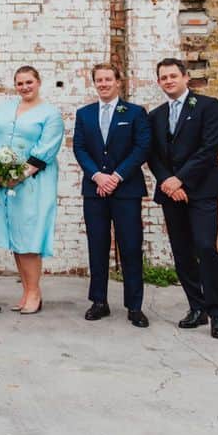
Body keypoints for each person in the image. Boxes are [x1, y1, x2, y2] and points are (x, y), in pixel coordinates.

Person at [147, 58, 218, 339]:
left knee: (206, 248)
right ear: (159, 82)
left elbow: (210, 149)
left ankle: (217, 313)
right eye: (163, 77)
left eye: (173, 75)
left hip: (202, 189)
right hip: (171, 193)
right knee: (182, 251)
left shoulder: (208, 106)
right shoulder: (156, 115)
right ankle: (197, 307)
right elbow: (153, 155)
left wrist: (180, 179)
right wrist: (168, 182)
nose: (168, 81)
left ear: (185, 77)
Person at [0, 65, 64, 315]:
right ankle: (26, 291)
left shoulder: (50, 114)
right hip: (2, 181)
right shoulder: (4, 109)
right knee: (15, 237)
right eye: (20, 83)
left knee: (29, 237)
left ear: (38, 82)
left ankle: (35, 292)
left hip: (32, 183)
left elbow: (46, 150)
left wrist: (17, 176)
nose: (25, 87)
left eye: (29, 82)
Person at [73, 63, 151, 328]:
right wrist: (97, 176)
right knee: (97, 245)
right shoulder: (84, 114)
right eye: (99, 80)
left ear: (118, 82)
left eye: (108, 79)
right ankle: (99, 301)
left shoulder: (134, 112)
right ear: (94, 83)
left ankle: (135, 306)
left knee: (130, 246)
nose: (103, 84)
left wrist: (116, 176)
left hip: (126, 190)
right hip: (95, 190)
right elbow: (80, 148)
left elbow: (141, 148)